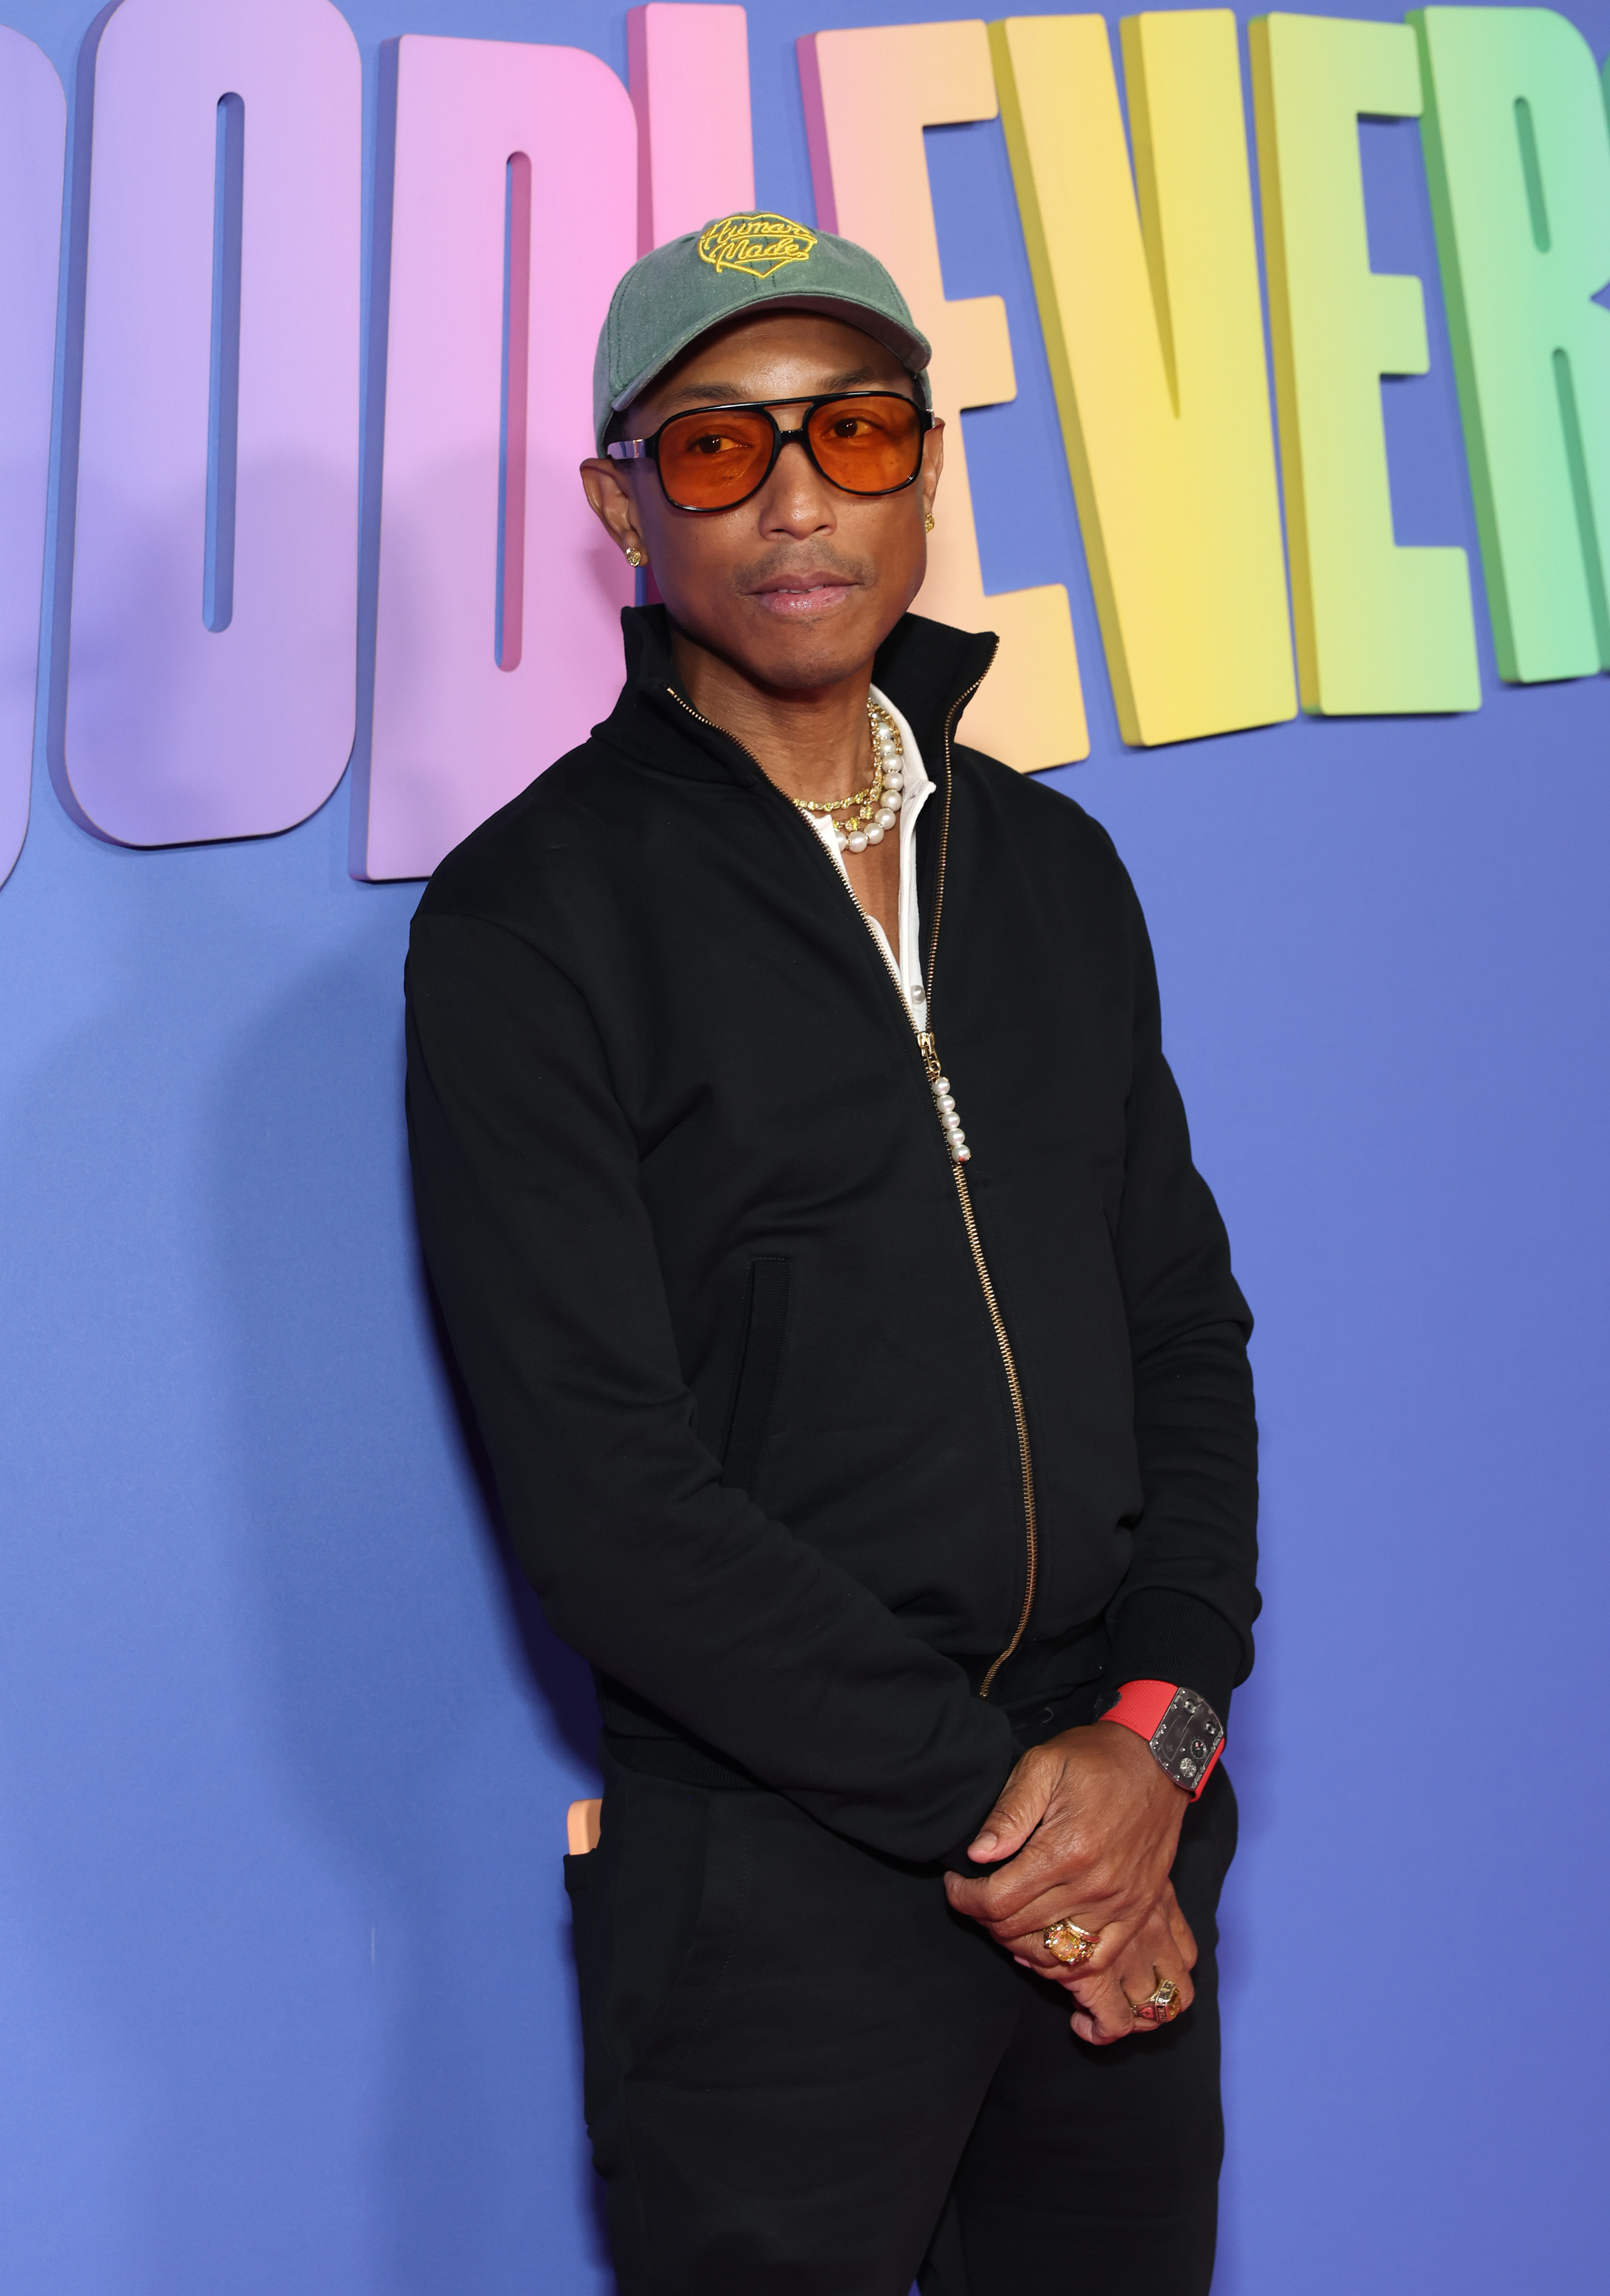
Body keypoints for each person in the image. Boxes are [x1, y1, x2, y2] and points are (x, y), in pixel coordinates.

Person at [405, 212, 1258, 2296]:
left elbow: (1183, 1334)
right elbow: (608, 1499)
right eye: (718, 450)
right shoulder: (534, 921)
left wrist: (1152, 1742)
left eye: (853, 433)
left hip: (1118, 1830)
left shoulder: (1051, 868)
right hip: (781, 1888)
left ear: (925, 471)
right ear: (625, 503)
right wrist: (1019, 1825)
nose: (797, 498)